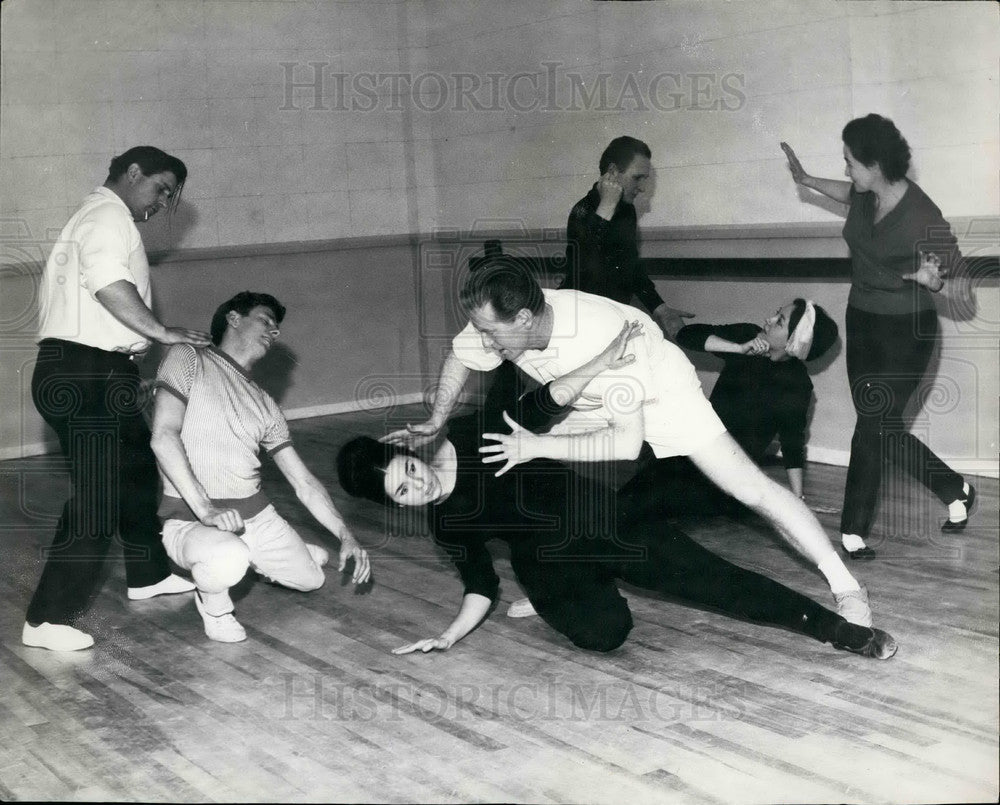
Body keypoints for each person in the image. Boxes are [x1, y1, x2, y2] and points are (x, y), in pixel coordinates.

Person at [337, 326, 897, 660]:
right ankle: (564, 598)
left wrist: (603, 361)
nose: (417, 485)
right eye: (403, 494)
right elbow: (481, 584)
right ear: (398, 506)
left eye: (408, 470)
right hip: (551, 566)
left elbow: (543, 402)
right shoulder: (446, 523)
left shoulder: (469, 434)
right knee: (607, 636)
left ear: (409, 452)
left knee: (717, 581)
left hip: (606, 520)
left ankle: (836, 629)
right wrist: (447, 637)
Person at [383, 258, 874, 626]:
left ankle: (846, 586)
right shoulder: (505, 320)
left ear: (526, 319)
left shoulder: (596, 334)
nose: (486, 343)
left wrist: (540, 446)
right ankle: (562, 581)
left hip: (661, 396)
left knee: (751, 490)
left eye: (493, 334)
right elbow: (461, 354)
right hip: (588, 394)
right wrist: (437, 416)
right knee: (506, 455)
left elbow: (624, 445)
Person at [24, 146, 210, 653]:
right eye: (161, 188)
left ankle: (148, 575)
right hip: (86, 373)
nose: (163, 202)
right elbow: (108, 283)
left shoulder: (98, 217)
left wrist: (125, 373)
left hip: (99, 372)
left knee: (134, 474)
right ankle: (46, 619)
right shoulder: (108, 216)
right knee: (98, 498)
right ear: (133, 173)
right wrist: (161, 332)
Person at [781, 114, 975, 559]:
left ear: (874, 165)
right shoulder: (867, 194)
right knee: (882, 426)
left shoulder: (922, 215)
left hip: (907, 331)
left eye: (850, 161)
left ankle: (852, 531)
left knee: (871, 424)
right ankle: (955, 489)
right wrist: (807, 179)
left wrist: (935, 282)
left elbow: (962, 285)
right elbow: (847, 192)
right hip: (863, 319)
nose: (846, 169)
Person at [150, 291, 370, 643]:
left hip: (257, 517)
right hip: (191, 518)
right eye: (266, 320)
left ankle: (256, 556)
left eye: (277, 328)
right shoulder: (187, 356)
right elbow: (163, 436)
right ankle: (215, 605)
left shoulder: (266, 405)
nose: (274, 331)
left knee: (312, 579)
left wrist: (346, 535)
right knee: (227, 558)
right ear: (234, 319)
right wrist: (206, 509)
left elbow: (303, 482)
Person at [631, 298, 838, 512]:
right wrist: (738, 349)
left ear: (793, 342)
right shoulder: (747, 335)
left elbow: (792, 442)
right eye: (777, 313)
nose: (769, 319)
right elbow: (687, 335)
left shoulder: (798, 384)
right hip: (694, 450)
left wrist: (798, 499)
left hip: (730, 475)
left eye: (779, 322)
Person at [559, 135, 693, 340]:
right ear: (612, 172)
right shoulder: (581, 211)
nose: (642, 187)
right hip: (579, 322)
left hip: (612, 319)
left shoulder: (626, 211)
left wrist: (661, 309)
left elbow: (629, 265)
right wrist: (607, 207)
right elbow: (586, 271)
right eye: (637, 177)